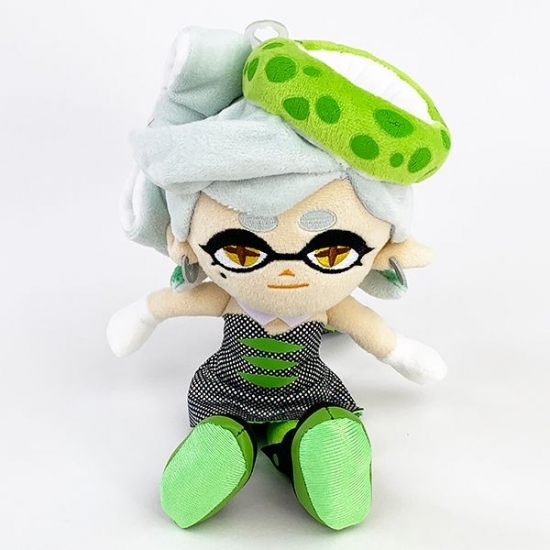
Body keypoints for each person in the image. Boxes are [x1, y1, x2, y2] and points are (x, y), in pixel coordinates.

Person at [107, 24, 450, 531]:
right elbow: (168, 303)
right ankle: (224, 447)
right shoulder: (231, 300)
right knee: (226, 426)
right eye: (242, 250)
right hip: (225, 390)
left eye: (330, 252)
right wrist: (141, 315)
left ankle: (312, 447)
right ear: (190, 241)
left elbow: (376, 335)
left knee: (317, 424)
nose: (287, 271)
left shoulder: (326, 308)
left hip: (307, 391)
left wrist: (401, 353)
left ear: (382, 248)